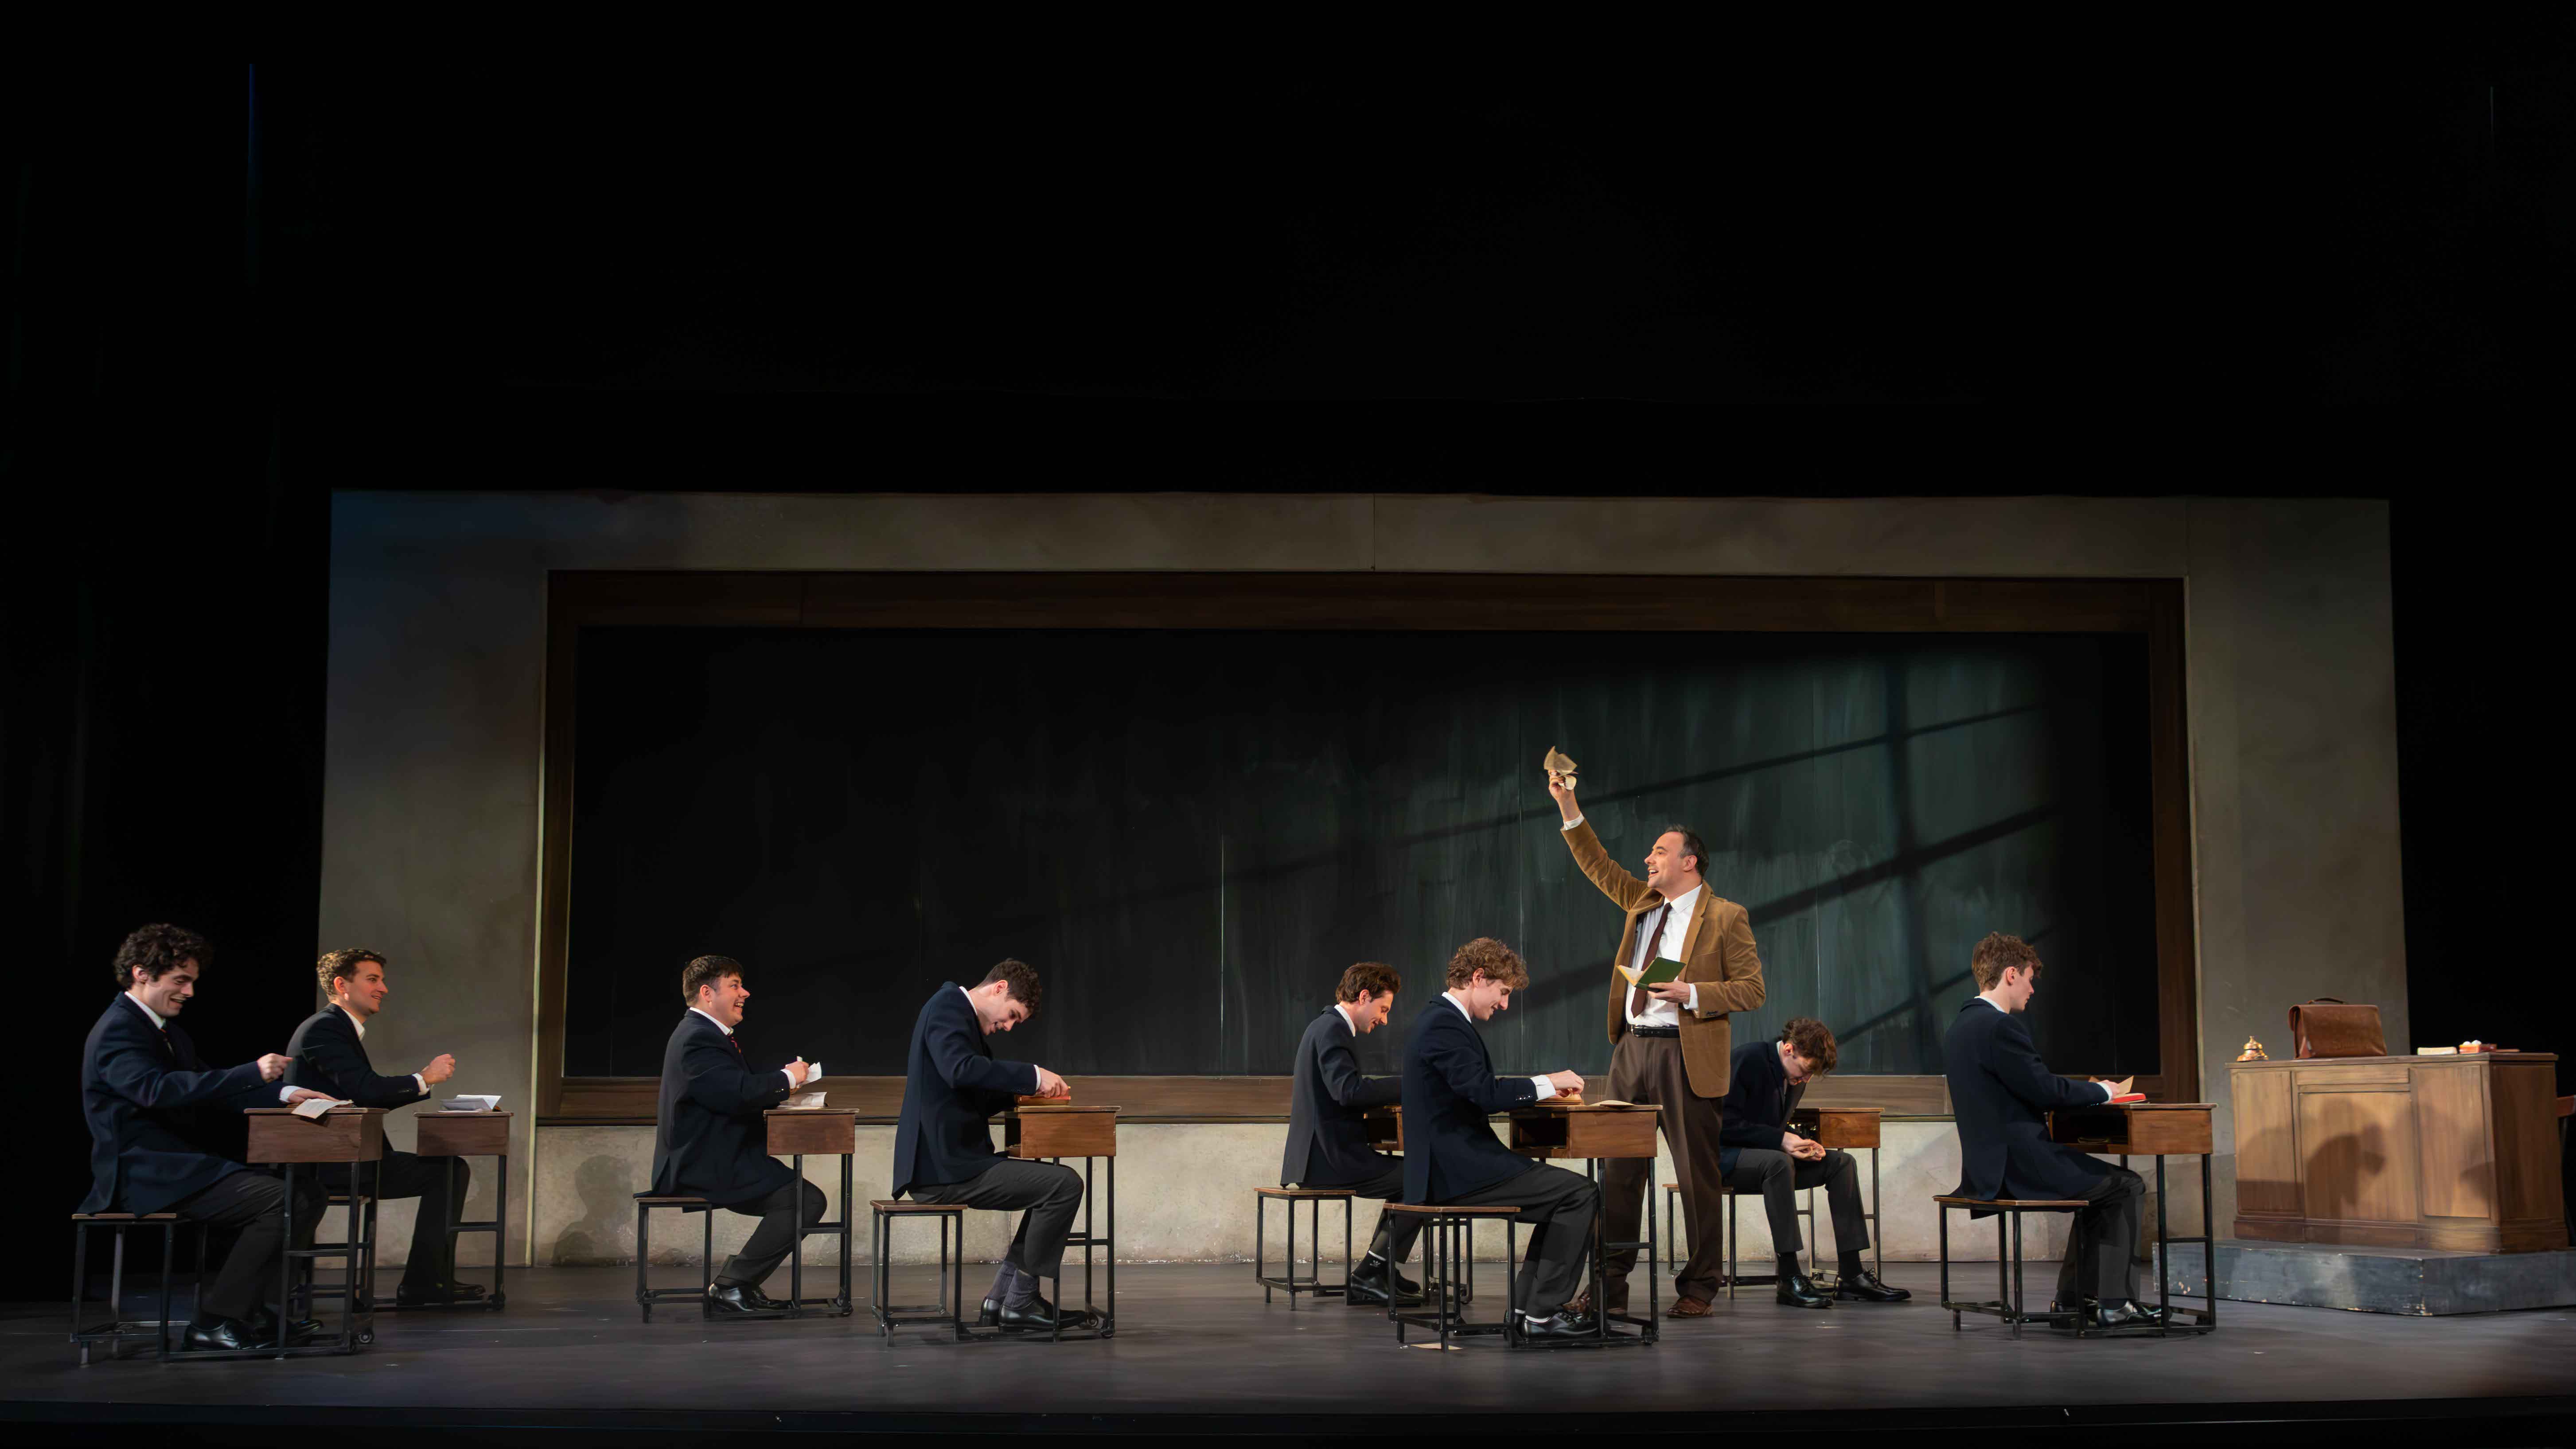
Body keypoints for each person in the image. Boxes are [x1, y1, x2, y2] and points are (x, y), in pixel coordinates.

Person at [1549, 775, 1765, 1318]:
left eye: (1659, 851)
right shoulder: (1641, 902)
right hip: (1631, 1051)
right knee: (1619, 1173)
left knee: (1696, 1175)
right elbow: (1597, 864)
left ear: (1689, 862)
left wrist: (1691, 992)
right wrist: (1568, 803)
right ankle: (1608, 1288)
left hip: (1684, 1054)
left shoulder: (1726, 916)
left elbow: (1751, 990)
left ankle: (1700, 1286)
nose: (1648, 859)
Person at [79, 923, 331, 1351]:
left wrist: (285, 1093)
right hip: (146, 1173)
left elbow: (210, 1086)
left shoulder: (165, 1030)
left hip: (181, 1166)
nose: (189, 992)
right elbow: (154, 1090)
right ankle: (215, 1321)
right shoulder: (119, 1029)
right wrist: (251, 1071)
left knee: (309, 1193)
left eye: (192, 981)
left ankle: (259, 1313)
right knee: (281, 1200)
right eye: (181, 981)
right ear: (141, 973)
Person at [1942, 932, 2157, 1329]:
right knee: (2125, 1186)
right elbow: (2043, 1089)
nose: (2032, 989)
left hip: (1987, 1166)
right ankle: (2115, 1304)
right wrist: (2103, 1092)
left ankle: (2072, 1302)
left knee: (2100, 1192)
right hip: (2018, 1163)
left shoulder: (1960, 1026)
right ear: (2011, 974)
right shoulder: (1998, 1027)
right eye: (2029, 979)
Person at [1399, 936, 1598, 1341]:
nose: (1504, 1005)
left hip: (1455, 1163)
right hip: (1456, 1170)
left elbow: (1473, 1088)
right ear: (1478, 978)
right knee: (1579, 1194)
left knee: (1565, 1195)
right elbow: (1484, 1093)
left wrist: (1540, 1090)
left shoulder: (1442, 1020)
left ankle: (1528, 1310)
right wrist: (1547, 1082)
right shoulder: (1443, 1024)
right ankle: (1540, 1314)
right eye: (1503, 992)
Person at [891, 959, 1091, 1332]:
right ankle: (1021, 1301)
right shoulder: (948, 1006)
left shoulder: (958, 1015)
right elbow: (959, 1069)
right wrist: (1032, 1075)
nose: (1009, 1026)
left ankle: (1001, 1300)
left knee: (1051, 1185)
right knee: (1064, 1185)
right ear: (999, 988)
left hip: (953, 1162)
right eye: (1012, 1015)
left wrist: (1024, 1094)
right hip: (943, 1169)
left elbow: (972, 1094)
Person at [286, 949, 480, 1305]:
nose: (383, 989)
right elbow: (366, 1090)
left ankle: (426, 1282)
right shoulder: (325, 1028)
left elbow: (362, 1093)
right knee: (449, 1171)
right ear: (342, 985)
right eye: (373, 979)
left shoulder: (334, 1028)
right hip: (328, 1163)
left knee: (449, 1170)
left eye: (382, 980)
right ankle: (424, 1284)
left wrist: (419, 1083)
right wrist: (423, 1078)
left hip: (340, 1156)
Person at [645, 954, 818, 1314]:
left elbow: (730, 1089)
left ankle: (739, 1283)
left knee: (802, 1198)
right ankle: (732, 1285)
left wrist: (783, 1092)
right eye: (735, 986)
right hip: (705, 1162)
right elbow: (734, 1092)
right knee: (805, 1200)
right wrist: (788, 1078)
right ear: (707, 993)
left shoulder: (705, 1034)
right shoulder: (697, 1037)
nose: (745, 993)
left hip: (722, 1156)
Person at [1716, 1017, 1908, 1307]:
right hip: (1726, 1159)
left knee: (1841, 1163)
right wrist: (1781, 1140)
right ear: (1789, 1050)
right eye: (1806, 1071)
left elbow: (1769, 1123)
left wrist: (1802, 1142)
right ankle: (1789, 1278)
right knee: (1779, 1163)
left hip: (1767, 1157)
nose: (1806, 1080)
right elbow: (1722, 1125)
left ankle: (1852, 1275)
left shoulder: (1793, 1075)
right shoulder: (1748, 1059)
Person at [1280, 961, 1421, 1306]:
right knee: (1423, 1178)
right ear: (1363, 997)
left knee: (1415, 1175)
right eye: (1383, 1009)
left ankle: (1380, 1270)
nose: (1384, 1020)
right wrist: (1412, 1085)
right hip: (1329, 1160)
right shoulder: (1332, 1029)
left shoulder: (1325, 1025)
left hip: (1325, 1154)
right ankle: (1371, 1272)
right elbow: (1348, 1091)